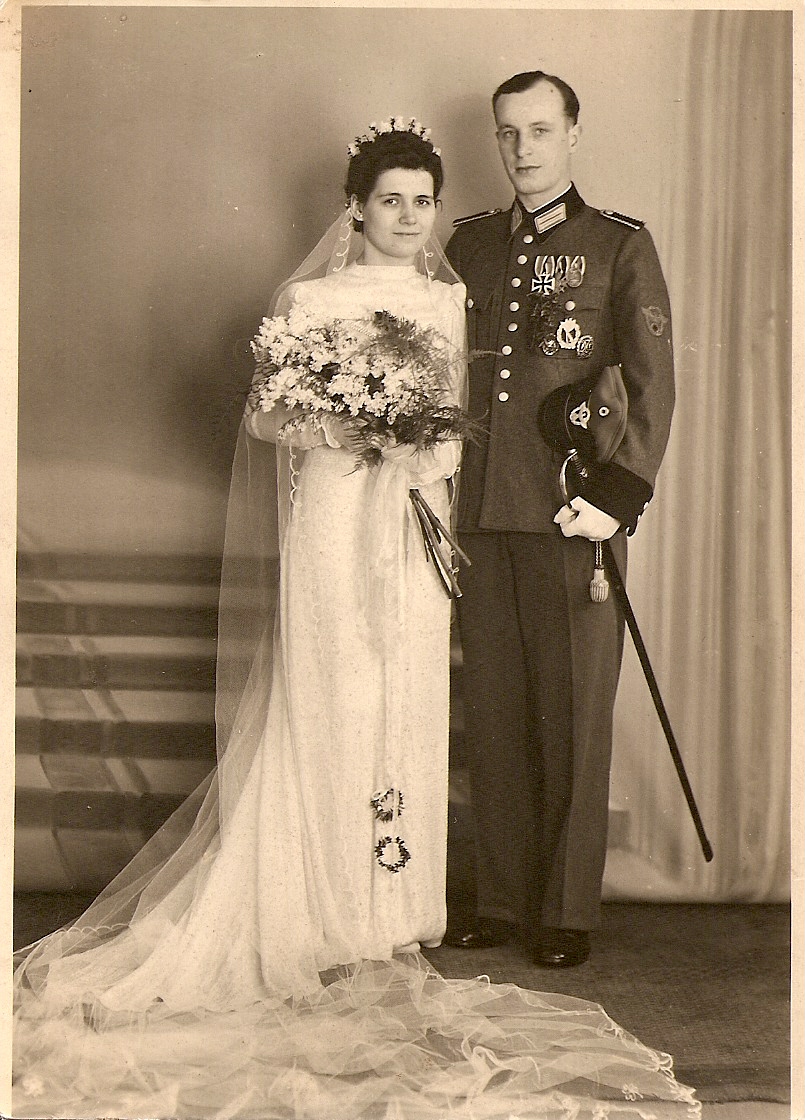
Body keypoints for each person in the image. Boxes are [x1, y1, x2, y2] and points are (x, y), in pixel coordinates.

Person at [12, 119, 695, 1120]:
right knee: (330, 695)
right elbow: (264, 418)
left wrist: (423, 449)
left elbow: (484, 420)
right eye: (391, 201)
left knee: (404, 697)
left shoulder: (449, 296)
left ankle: (392, 905)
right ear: (358, 208)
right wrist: (349, 421)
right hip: (337, 517)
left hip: (416, 525)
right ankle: (313, 904)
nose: (410, 217)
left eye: (424, 200)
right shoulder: (313, 298)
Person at [444, 71, 675, 968]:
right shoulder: (465, 247)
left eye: (540, 130)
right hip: (479, 511)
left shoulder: (618, 246)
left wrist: (615, 497)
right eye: (507, 134)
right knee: (495, 713)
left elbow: (652, 386)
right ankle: (501, 902)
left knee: (572, 714)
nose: (523, 149)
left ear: (572, 133)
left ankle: (565, 911)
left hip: (572, 515)